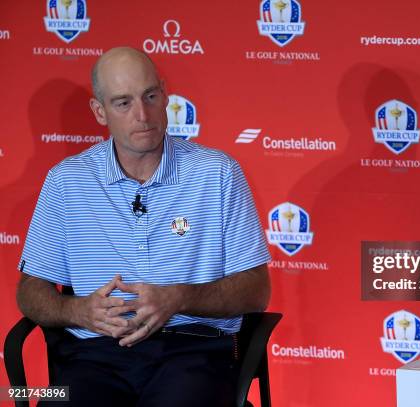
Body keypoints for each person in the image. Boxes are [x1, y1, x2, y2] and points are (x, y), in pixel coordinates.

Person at [16, 47, 271, 406]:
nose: (143, 115)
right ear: (99, 111)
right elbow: (30, 291)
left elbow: (256, 291)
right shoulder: (66, 182)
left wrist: (179, 298)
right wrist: (78, 311)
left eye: (150, 96)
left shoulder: (217, 174)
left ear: (165, 94)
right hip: (93, 359)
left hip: (191, 352)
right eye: (123, 103)